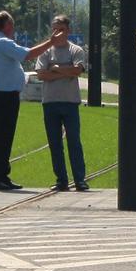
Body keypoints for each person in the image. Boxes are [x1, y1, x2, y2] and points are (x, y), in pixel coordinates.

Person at [0, 11, 59, 191]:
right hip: (5, 96)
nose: (13, 29)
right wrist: (51, 43)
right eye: (12, 25)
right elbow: (28, 54)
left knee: (0, 136)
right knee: (3, 137)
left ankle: (0, 175)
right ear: (6, 26)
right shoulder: (3, 42)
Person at [35, 15, 89, 191]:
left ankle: (80, 180)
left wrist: (56, 69)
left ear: (68, 31)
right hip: (50, 102)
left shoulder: (76, 50)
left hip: (70, 102)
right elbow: (41, 74)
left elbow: (77, 70)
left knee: (74, 141)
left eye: (61, 30)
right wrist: (65, 72)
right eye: (54, 29)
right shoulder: (45, 51)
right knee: (55, 143)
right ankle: (61, 180)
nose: (57, 33)